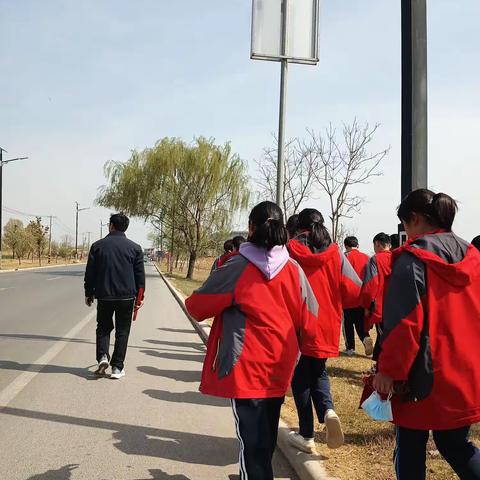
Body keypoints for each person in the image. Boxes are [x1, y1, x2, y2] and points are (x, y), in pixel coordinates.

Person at [185, 201, 319, 480]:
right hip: (280, 367)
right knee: (265, 442)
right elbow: (311, 320)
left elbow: (197, 307)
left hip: (245, 368)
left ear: (251, 228)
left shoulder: (238, 266)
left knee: (252, 447)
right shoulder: (293, 269)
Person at [373, 189, 480, 480]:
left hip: (423, 375)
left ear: (416, 219)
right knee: (455, 443)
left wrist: (389, 371)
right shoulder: (474, 258)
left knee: (409, 446)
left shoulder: (411, 262)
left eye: (406, 225)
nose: (406, 233)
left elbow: (404, 326)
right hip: (468, 371)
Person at [287, 209, 362, 453]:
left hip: (297, 324)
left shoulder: (289, 250)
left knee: (300, 379)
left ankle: (307, 434)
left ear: (300, 226)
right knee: (319, 373)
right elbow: (353, 290)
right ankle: (328, 410)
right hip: (327, 325)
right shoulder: (336, 254)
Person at [84, 213, 145, 379]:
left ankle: (103, 356)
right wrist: (140, 299)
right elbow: (140, 277)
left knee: (103, 328)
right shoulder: (135, 248)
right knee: (122, 332)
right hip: (127, 297)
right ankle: (117, 368)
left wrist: (89, 293)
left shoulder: (97, 246)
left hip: (104, 296)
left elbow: (90, 273)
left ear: (111, 225)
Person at [360, 232, 393, 361]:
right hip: (396, 305)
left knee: (382, 338)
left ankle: (379, 368)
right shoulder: (397, 258)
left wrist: (366, 305)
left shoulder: (375, 260)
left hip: (381, 305)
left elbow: (370, 285)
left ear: (377, 244)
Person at [343, 236, 373, 356]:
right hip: (362, 296)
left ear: (346, 246)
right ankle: (366, 338)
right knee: (360, 323)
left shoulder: (345, 257)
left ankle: (350, 348)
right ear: (358, 245)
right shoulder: (367, 258)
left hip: (348, 296)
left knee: (348, 324)